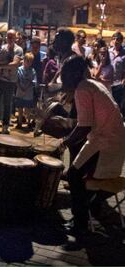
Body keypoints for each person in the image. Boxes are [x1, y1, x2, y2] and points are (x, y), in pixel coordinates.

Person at [59, 55, 125, 236]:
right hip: (112, 140)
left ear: (72, 74)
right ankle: (92, 208)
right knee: (78, 174)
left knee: (73, 175)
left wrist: (64, 142)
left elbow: (84, 126)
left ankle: (80, 223)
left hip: (105, 142)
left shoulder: (82, 89)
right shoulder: (93, 84)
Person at [0, 29, 23, 134]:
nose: (10, 38)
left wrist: (0, 66)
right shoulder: (1, 48)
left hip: (10, 81)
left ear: (16, 37)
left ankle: (6, 125)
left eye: (12, 36)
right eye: (8, 36)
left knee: (8, 103)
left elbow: (15, 63)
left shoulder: (18, 49)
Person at [15, 52, 37, 129]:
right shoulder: (19, 69)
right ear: (24, 60)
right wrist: (21, 87)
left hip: (28, 93)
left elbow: (33, 81)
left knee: (28, 110)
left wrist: (26, 87)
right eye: (27, 61)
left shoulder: (33, 70)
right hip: (20, 92)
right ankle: (20, 122)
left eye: (30, 61)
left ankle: (29, 122)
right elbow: (16, 80)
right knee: (20, 109)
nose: (29, 63)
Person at [109, 32, 125, 118]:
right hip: (108, 83)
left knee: (118, 105)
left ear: (121, 41)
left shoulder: (124, 53)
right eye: (114, 39)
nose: (115, 41)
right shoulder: (108, 52)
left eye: (118, 39)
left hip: (119, 84)